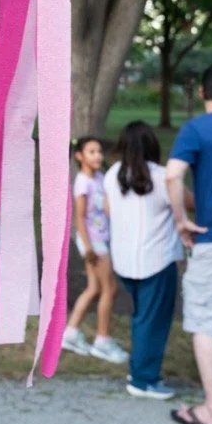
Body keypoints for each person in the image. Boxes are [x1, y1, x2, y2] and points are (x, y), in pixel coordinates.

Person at [166, 64, 212, 424]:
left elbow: (173, 174)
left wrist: (181, 221)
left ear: (201, 93)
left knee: (207, 324)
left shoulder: (197, 129)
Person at [103, 121, 184, 398]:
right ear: (153, 145)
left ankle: (138, 369)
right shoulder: (163, 178)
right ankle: (143, 380)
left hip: (124, 261)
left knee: (141, 318)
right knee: (153, 322)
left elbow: (107, 210)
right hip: (157, 261)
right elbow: (188, 204)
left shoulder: (113, 174)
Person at [61, 136, 128, 364]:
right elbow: (78, 218)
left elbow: (107, 209)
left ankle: (69, 333)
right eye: (91, 151)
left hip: (103, 238)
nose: (97, 155)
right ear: (79, 156)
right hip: (94, 242)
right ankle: (102, 340)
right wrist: (88, 247)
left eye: (99, 151)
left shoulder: (101, 178)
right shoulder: (82, 183)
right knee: (110, 288)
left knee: (95, 288)